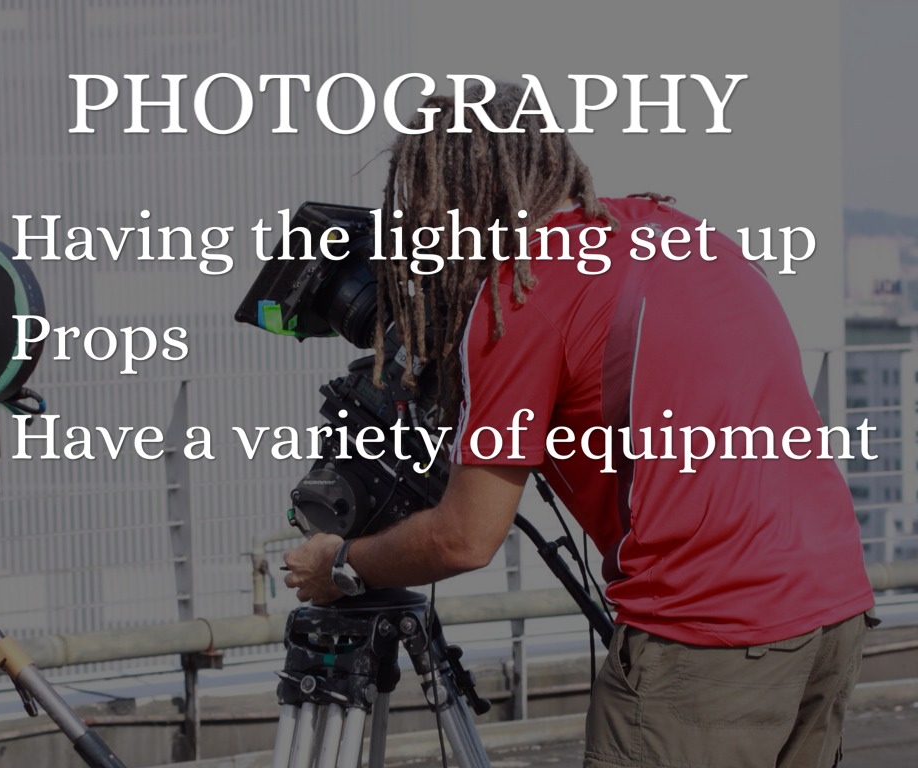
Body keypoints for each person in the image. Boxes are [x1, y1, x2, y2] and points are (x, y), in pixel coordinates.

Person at [282, 82, 875, 767]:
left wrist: (341, 565)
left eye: (428, 212)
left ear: (463, 202)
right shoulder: (676, 230)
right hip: (834, 609)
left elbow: (464, 537)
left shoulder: (523, 293)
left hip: (710, 637)